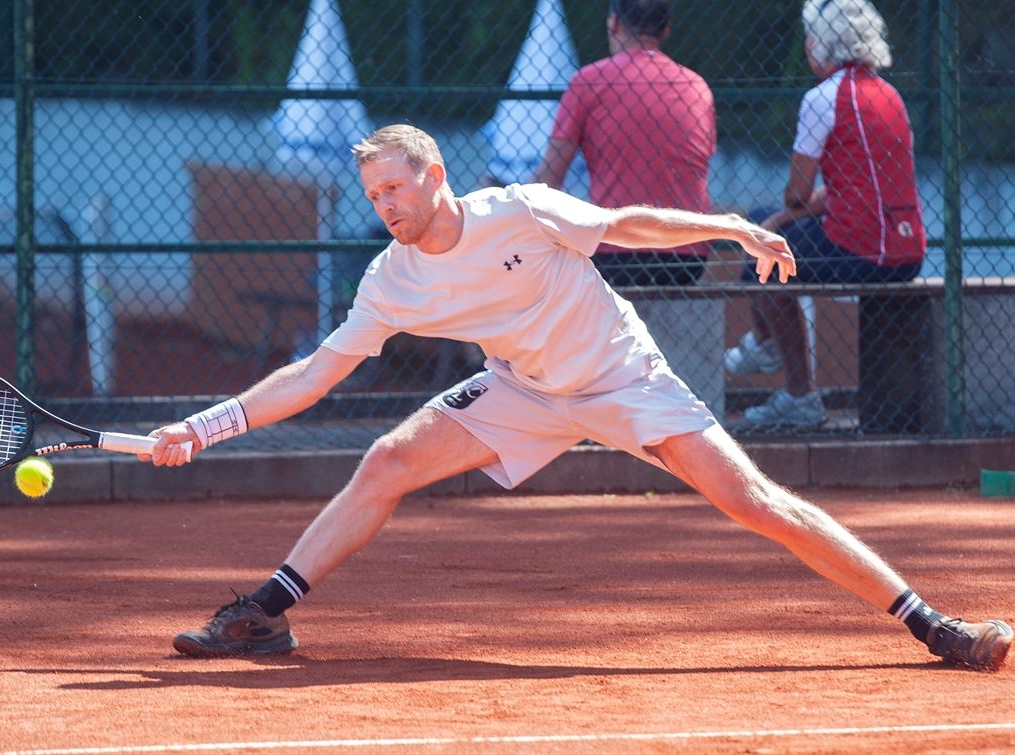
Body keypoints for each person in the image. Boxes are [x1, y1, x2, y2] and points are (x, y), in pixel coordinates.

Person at [143, 124, 1009, 672]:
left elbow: (626, 222)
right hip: (523, 387)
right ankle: (264, 615)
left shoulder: (519, 210)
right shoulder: (390, 279)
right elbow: (314, 374)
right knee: (388, 460)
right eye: (375, 196)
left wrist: (727, 225)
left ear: (435, 175)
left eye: (396, 188)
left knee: (754, 501)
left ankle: (932, 623)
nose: (386, 206)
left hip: (623, 378)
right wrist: (205, 426)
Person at [724, 0, 926, 430]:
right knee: (763, 220)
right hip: (908, 250)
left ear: (821, 43)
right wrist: (779, 219)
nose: (807, 45)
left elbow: (797, 192)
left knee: (763, 258)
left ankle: (792, 385)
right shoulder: (888, 94)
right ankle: (765, 346)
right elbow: (843, 190)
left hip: (862, 249)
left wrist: (783, 215)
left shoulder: (822, 98)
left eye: (810, 38)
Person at [533, 0, 716, 287]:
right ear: (665, 29)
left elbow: (548, 180)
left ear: (615, 24)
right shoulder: (696, 86)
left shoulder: (587, 82)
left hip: (613, 252)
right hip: (687, 254)